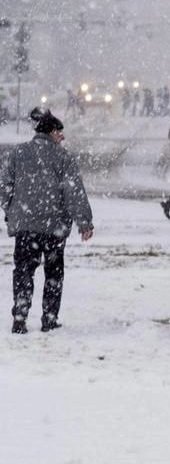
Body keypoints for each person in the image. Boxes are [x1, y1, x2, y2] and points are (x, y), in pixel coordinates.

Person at [0, 114, 94, 334]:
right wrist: (85, 223)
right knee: (54, 273)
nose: (62, 136)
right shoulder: (64, 157)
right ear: (51, 132)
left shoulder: (18, 153)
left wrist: (11, 211)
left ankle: (20, 317)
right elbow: (74, 192)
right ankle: (49, 319)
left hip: (25, 226)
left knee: (23, 271)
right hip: (55, 227)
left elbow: (4, 186)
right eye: (59, 131)